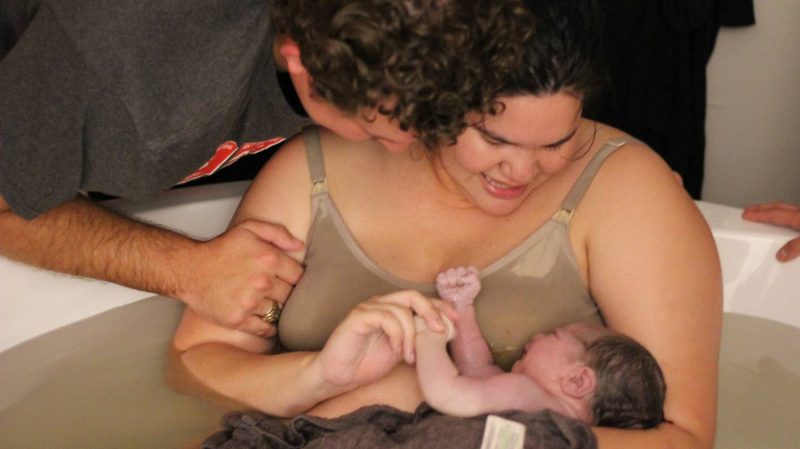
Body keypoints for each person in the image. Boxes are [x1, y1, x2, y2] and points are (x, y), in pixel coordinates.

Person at [172, 0, 722, 447]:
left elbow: (683, 438)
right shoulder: (312, 170)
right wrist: (319, 377)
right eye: (494, 139)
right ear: (433, 98)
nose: (524, 171)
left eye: (558, 142)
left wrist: (492, 433)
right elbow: (196, 363)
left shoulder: (627, 189)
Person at [0, 0, 520, 335]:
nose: (410, 148)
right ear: (301, 61)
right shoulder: (123, 72)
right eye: (379, 128)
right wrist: (187, 270)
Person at [415, 266, 666, 430]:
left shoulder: (525, 394)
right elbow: (478, 368)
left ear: (577, 381)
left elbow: (448, 395)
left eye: (553, 335)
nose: (537, 335)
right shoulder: (545, 412)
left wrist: (427, 335)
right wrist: (461, 307)